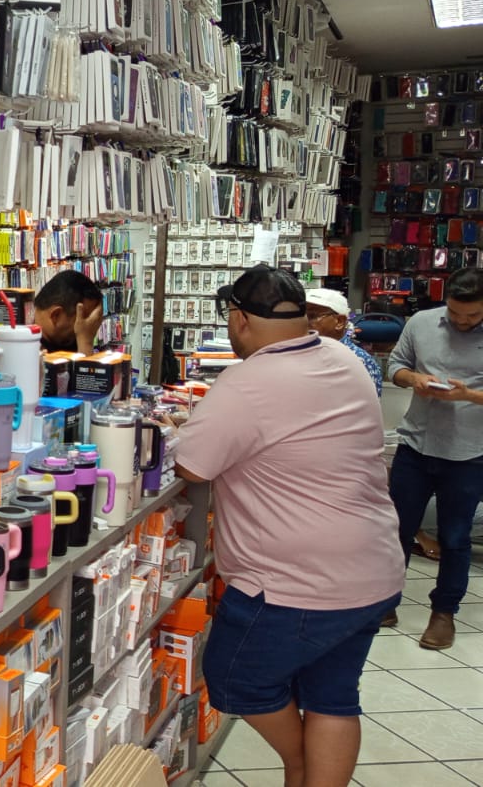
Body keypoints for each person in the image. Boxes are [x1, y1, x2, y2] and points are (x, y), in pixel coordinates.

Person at [167, 266, 402, 787]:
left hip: (295, 584)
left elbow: (191, 466)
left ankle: (298, 764)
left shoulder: (247, 382)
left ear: (238, 319)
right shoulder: (342, 356)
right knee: (333, 696)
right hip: (372, 566)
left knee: (234, 679)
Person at [385, 267, 483, 650]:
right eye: (455, 312)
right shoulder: (421, 322)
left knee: (455, 537)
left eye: (472, 315)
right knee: (396, 530)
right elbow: (395, 367)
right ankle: (385, 602)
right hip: (415, 445)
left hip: (468, 453)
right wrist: (414, 379)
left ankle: (443, 614)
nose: (462, 321)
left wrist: (468, 395)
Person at [304, 288, 382, 395]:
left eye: (312, 316)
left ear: (339, 321)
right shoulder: (303, 353)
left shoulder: (358, 362)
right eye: (301, 316)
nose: (303, 322)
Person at [34, 270, 105, 354]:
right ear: (56, 315)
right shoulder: (26, 347)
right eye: (83, 318)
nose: (88, 327)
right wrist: (85, 342)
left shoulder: (61, 339)